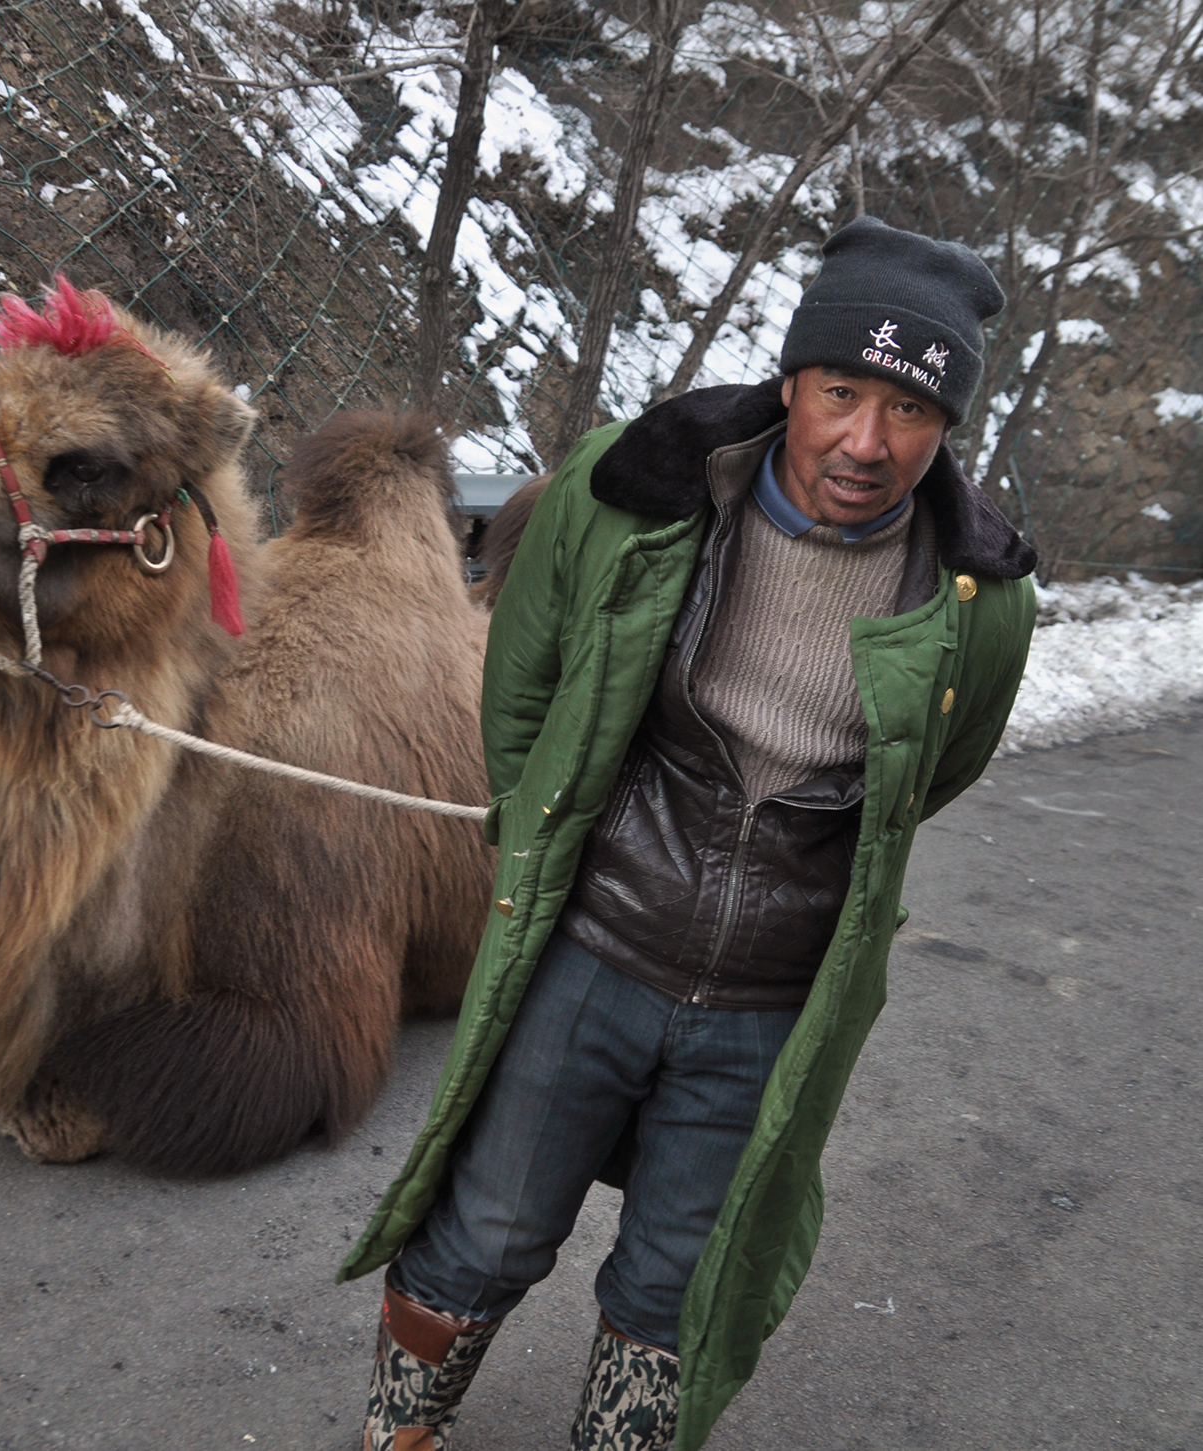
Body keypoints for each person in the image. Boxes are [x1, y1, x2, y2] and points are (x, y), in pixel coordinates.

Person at [340, 216, 1039, 1451]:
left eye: (911, 413)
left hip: (775, 997)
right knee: (492, 1224)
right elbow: (525, 681)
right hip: (600, 942)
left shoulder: (979, 598)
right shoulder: (638, 490)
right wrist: (540, 839)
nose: (867, 443)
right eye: (840, 391)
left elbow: (940, 763)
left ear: (947, 428)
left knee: (679, 1279)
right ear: (792, 381)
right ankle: (402, 1427)